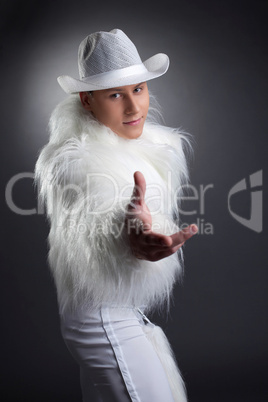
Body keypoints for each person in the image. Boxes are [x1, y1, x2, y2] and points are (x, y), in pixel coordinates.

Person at [35, 28, 198, 402]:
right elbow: (94, 217)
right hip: (103, 319)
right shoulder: (75, 160)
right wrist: (132, 236)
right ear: (87, 101)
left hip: (123, 311)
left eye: (138, 89)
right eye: (114, 94)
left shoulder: (149, 148)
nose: (133, 107)